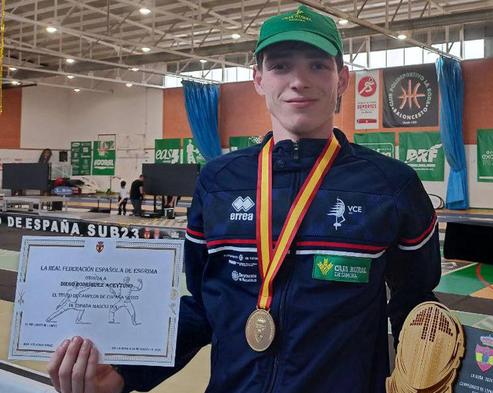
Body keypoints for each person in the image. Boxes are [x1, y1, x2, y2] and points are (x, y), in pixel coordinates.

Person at [48, 6, 440, 393]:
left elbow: (416, 304)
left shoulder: (391, 186)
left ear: (342, 80)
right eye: (281, 66)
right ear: (258, 79)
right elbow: (203, 306)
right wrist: (123, 372)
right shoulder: (219, 182)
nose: (299, 81)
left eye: (318, 65)